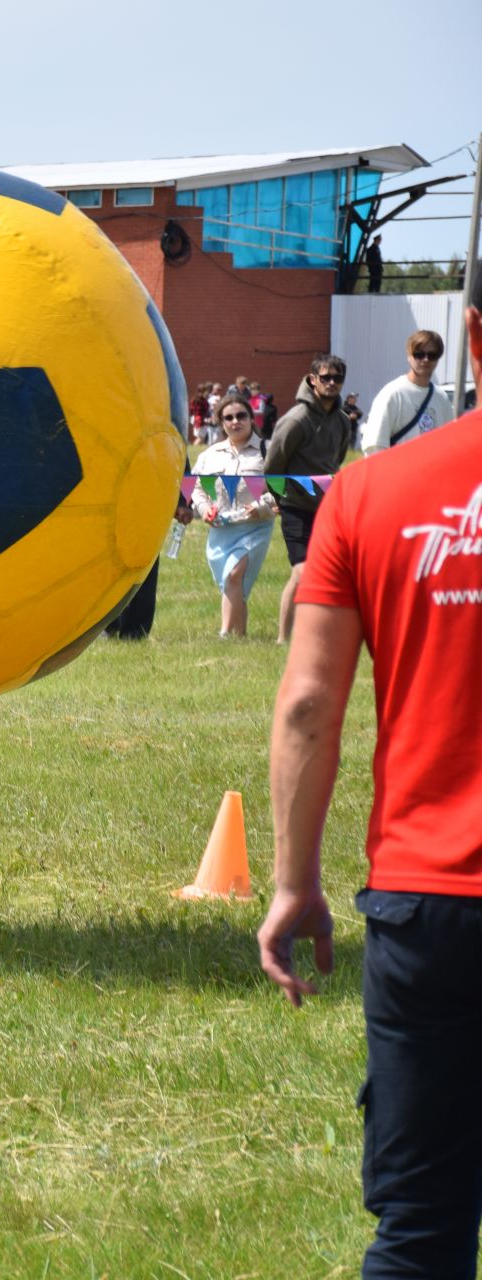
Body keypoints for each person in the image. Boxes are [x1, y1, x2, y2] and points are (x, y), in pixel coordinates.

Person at [257, 305, 482, 1277]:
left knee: (420, 1232)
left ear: (472, 327)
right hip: (428, 893)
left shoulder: (371, 490)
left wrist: (292, 880)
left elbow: (310, 703)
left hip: (427, 901)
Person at [264, 355, 354, 643]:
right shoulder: (295, 420)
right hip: (295, 507)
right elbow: (272, 466)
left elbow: (336, 460)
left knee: (326, 574)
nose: (331, 383)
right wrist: (280, 497)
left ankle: (314, 634)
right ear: (312, 379)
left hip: (328, 508)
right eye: (325, 377)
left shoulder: (342, 421)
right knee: (302, 573)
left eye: (337, 378)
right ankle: (282, 639)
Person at [190, 393, 278, 637]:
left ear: (252, 418)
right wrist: (204, 508)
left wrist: (262, 505)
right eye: (228, 418)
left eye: (241, 415)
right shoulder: (209, 455)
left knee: (233, 575)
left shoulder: (268, 451)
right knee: (233, 585)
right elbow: (197, 488)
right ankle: (240, 636)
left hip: (255, 527)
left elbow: (282, 489)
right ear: (221, 423)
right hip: (220, 530)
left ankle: (225, 634)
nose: (235, 421)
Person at [360, 329, 455, 456]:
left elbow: (448, 446)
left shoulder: (442, 398)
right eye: (419, 354)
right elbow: (375, 446)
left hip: (431, 474)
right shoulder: (392, 393)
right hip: (397, 474)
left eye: (432, 355)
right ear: (409, 356)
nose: (426, 359)